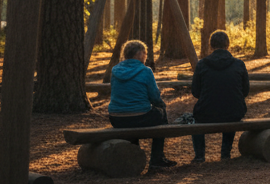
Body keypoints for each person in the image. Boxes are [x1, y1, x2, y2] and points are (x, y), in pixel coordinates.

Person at [108, 40, 176, 169]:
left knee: (133, 118)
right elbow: (155, 97)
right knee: (161, 116)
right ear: (139, 54)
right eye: (145, 53)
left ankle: (133, 156)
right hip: (139, 117)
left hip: (116, 118)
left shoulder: (115, 71)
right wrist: (161, 106)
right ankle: (157, 158)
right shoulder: (145, 71)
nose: (146, 56)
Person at [190, 30, 251, 162]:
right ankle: (225, 153)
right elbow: (245, 91)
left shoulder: (202, 64)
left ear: (211, 45)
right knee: (230, 107)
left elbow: (195, 92)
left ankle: (199, 155)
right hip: (234, 112)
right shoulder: (238, 64)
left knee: (196, 119)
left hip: (206, 112)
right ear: (228, 45)